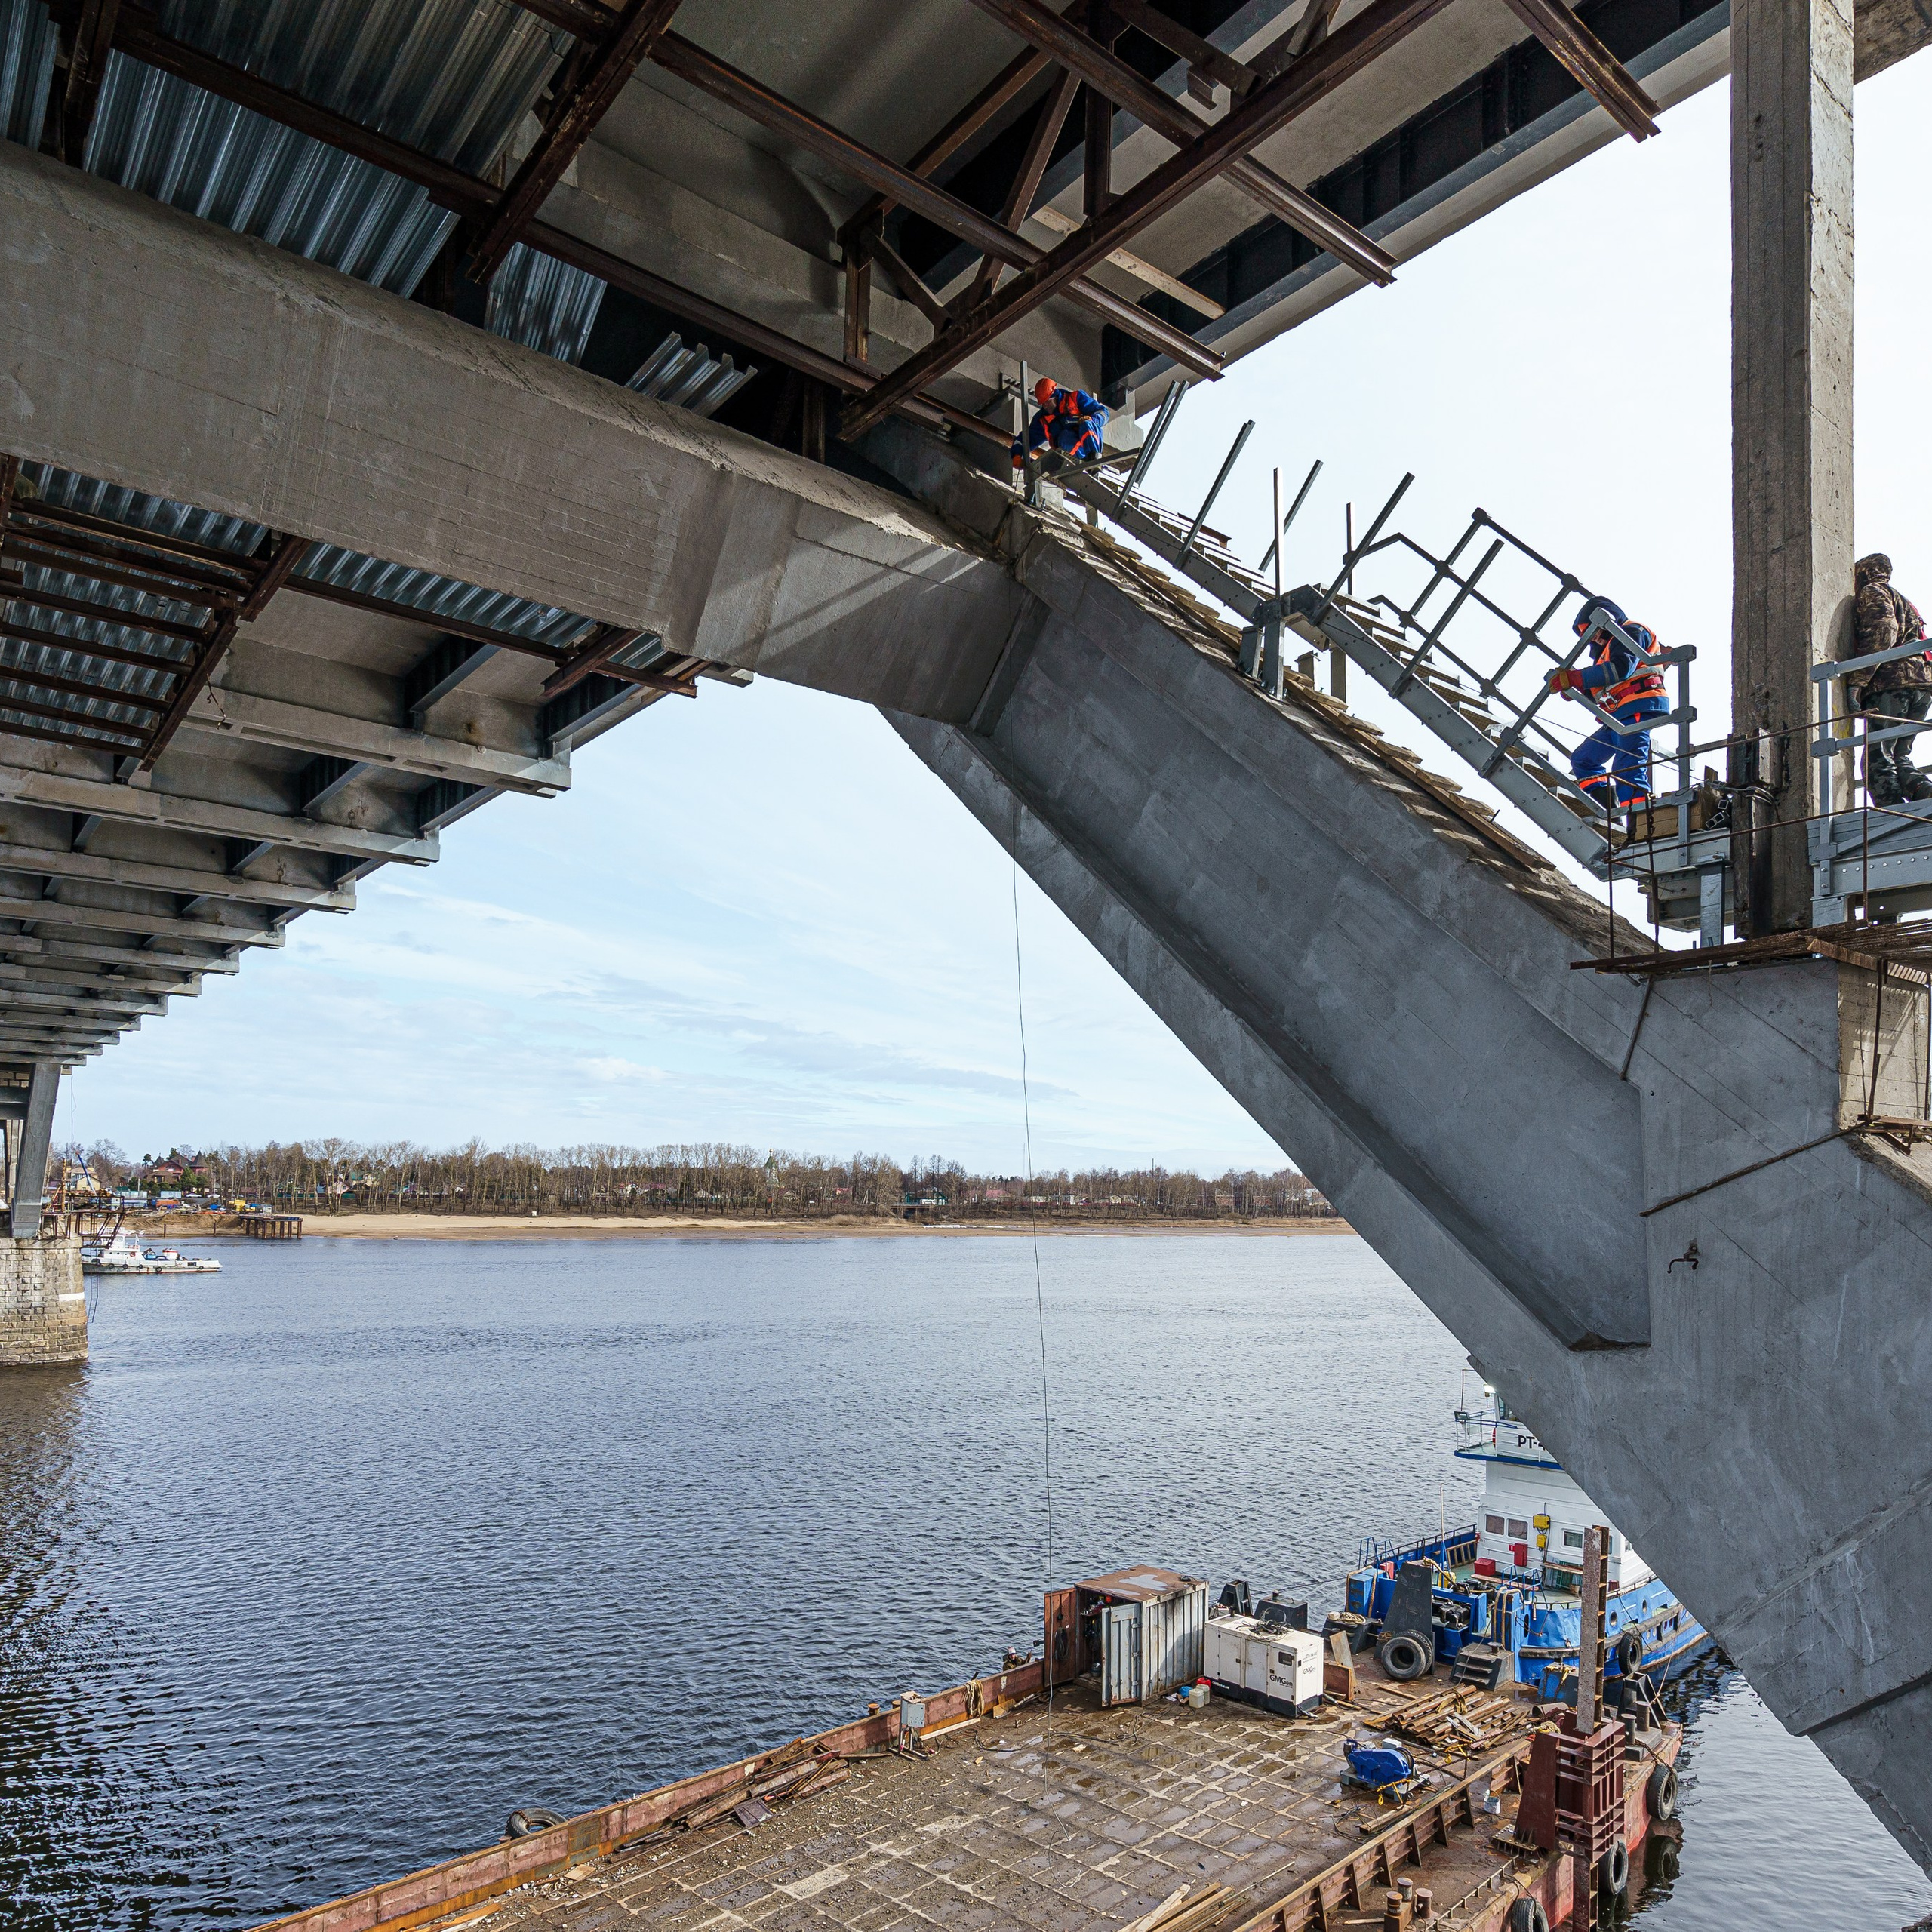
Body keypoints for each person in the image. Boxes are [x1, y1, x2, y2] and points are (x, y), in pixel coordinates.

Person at [1546, 598, 1669, 811]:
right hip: (1617, 716)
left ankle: (1639, 825)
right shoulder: (1608, 649)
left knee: (1627, 770)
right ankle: (1615, 814)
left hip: (1636, 706)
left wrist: (1576, 679)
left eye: (1595, 631)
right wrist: (1575, 690)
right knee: (1583, 761)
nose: (1595, 638)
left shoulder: (1631, 631)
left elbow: (1621, 669)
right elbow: (1603, 686)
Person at [1850, 552, 1932, 806]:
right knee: (1900, 756)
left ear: (1863, 573)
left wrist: (1858, 681)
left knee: (1877, 760)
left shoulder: (1874, 591)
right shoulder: (1904, 600)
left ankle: (1894, 817)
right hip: (1922, 685)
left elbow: (1884, 631)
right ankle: (1926, 797)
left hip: (1892, 684)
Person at [1011, 375, 1108, 472]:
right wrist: (1017, 455)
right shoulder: (1043, 419)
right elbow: (1026, 439)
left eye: (1047, 402)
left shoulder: (1076, 398)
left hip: (1090, 443)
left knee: (1086, 424)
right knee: (1063, 438)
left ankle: (1093, 459)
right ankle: (1083, 462)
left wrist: (1093, 419)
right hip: (1073, 452)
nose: (1045, 406)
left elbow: (1103, 412)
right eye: (1042, 403)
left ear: (1055, 396)